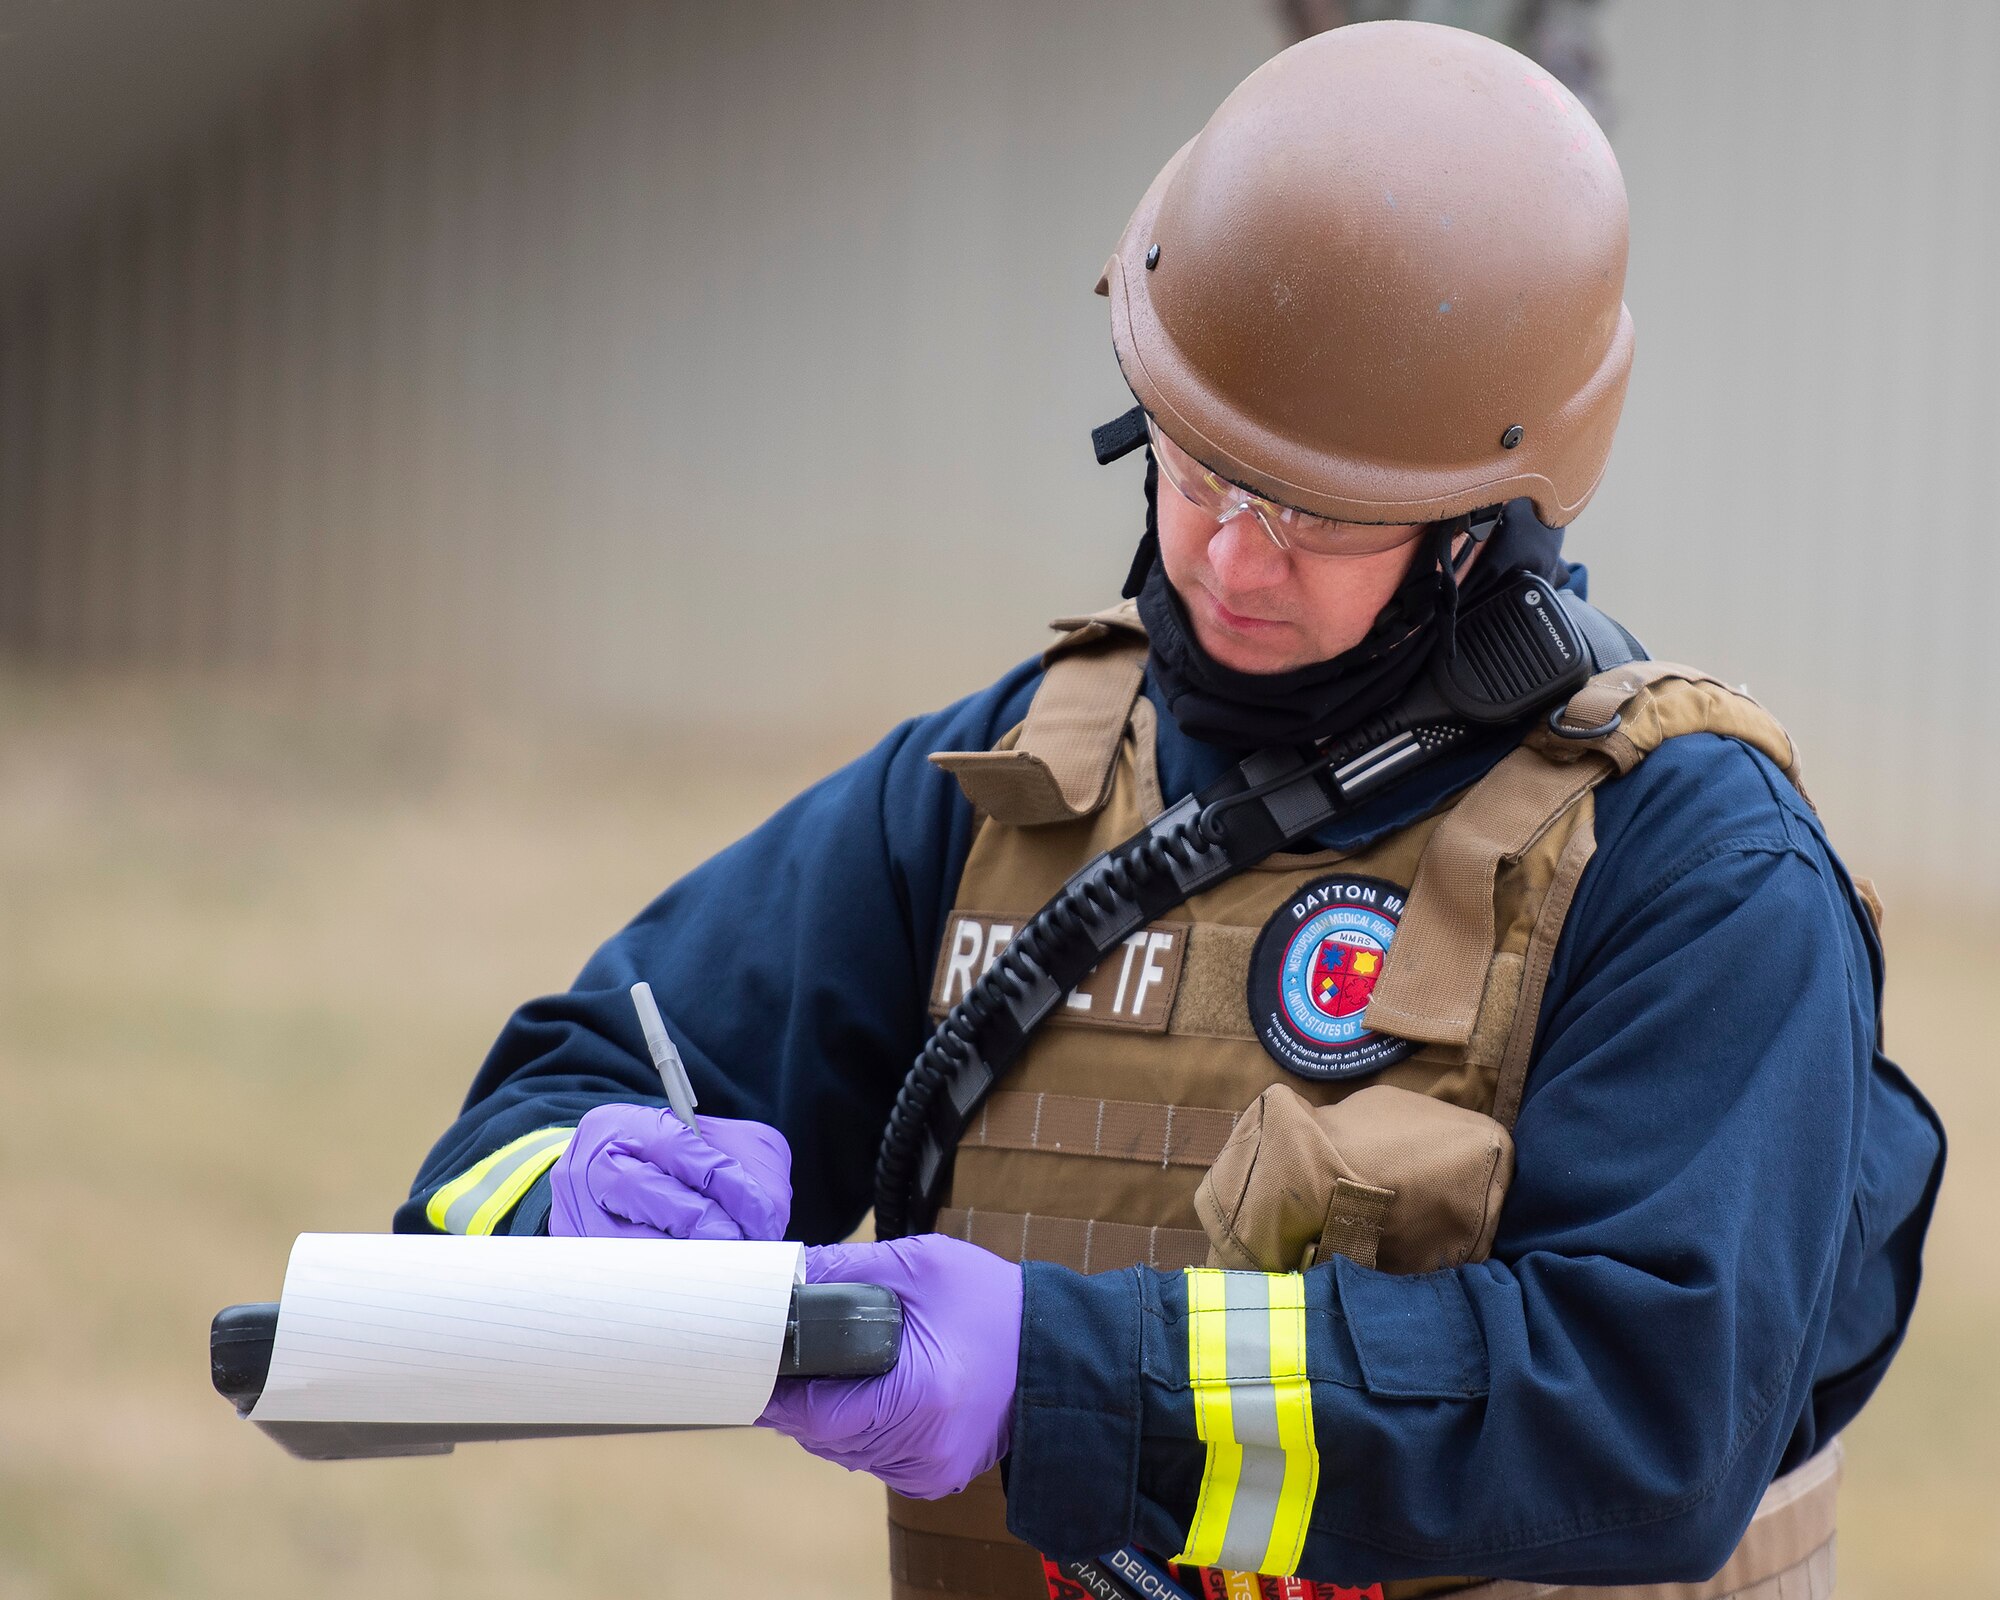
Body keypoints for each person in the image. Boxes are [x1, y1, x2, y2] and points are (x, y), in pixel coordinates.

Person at [397, 22, 1942, 1600]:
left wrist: (1055, 1376)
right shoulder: (1002, 788)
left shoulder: (1700, 870)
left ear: (1486, 520)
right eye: (1198, 467)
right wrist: (576, 1195)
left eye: (1317, 514)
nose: (1229, 558)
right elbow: (509, 1139)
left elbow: (1641, 1421)